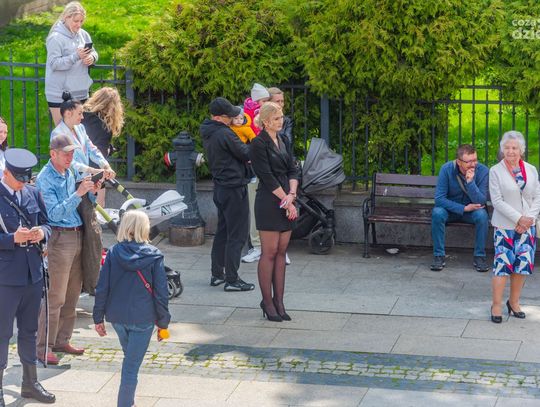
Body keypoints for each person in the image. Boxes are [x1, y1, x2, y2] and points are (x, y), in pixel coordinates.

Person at [93, 210, 170, 407]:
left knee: (130, 359)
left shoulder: (113, 253)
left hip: (118, 318)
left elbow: (102, 287)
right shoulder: (154, 256)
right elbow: (161, 293)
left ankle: (130, 402)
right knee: (131, 367)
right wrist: (163, 324)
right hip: (143, 319)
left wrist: (98, 318)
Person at [36, 134, 101, 365]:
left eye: (72, 152)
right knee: (55, 296)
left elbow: (84, 202)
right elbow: (54, 214)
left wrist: (92, 191)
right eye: (66, 153)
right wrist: (78, 194)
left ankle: (62, 340)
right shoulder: (45, 178)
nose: (70, 157)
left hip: (77, 234)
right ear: (53, 153)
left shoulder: (70, 170)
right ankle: (44, 347)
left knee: (73, 294)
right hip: (59, 237)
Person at [0, 149, 56, 405]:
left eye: (26, 179)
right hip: (6, 278)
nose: (23, 184)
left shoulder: (32, 193)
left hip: (32, 275)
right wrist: (12, 239)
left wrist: (41, 233)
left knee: (30, 331)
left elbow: (47, 223)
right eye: (18, 179)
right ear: (6, 173)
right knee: (2, 333)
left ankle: (30, 383)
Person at [52, 94, 116, 295]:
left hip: (84, 183)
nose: (83, 117)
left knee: (93, 233)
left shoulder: (80, 128)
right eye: (80, 113)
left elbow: (92, 148)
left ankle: (92, 282)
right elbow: (69, 162)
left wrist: (105, 165)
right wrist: (92, 170)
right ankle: (88, 282)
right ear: (68, 113)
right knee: (86, 231)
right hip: (70, 185)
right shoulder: (58, 134)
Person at [249, 102, 299, 322]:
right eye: (277, 118)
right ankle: (267, 302)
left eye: (281, 117)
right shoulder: (258, 144)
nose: (281, 121)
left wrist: (292, 195)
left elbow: (293, 169)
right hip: (269, 201)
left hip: (287, 197)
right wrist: (287, 202)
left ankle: (279, 301)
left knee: (281, 252)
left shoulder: (284, 140)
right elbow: (267, 176)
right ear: (266, 121)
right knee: (268, 253)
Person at [200, 97, 255, 292]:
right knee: (237, 234)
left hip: (221, 187)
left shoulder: (209, 131)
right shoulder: (224, 133)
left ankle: (217, 274)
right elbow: (246, 153)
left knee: (223, 232)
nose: (232, 118)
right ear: (220, 117)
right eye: (229, 115)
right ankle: (232, 279)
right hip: (234, 188)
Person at [489, 131, 540, 323]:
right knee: (502, 267)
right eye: (507, 147)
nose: (511, 151)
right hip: (505, 226)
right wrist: (519, 219)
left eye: (514, 148)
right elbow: (497, 201)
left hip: (527, 227)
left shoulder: (531, 169)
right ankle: (496, 305)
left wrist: (529, 219)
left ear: (521, 150)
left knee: (521, 267)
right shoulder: (495, 171)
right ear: (502, 149)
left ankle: (514, 302)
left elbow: (537, 197)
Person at [431, 144, 489, 272]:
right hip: (450, 211)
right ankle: (438, 256)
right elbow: (439, 199)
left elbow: (481, 201)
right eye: (469, 162)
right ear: (459, 162)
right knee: (437, 213)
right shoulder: (446, 169)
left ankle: (479, 256)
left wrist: (470, 182)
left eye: (475, 160)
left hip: (472, 212)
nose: (473, 165)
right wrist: (463, 208)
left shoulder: (483, 171)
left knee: (482, 215)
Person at [45, 1, 98, 126]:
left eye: (81, 21)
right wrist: (76, 56)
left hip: (81, 92)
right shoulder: (55, 38)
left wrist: (92, 58)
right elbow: (54, 63)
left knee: (81, 133)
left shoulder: (83, 34)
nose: (79, 24)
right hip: (60, 95)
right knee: (63, 133)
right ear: (66, 17)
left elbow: (94, 52)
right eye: (76, 21)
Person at [241, 84, 271, 264]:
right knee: (254, 207)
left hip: (264, 166)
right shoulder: (247, 116)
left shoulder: (256, 115)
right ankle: (257, 246)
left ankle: (268, 247)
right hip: (254, 167)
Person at [82, 87, 125, 207]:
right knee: (98, 208)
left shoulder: (82, 116)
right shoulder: (105, 126)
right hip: (96, 171)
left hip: (78, 166)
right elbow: (99, 150)